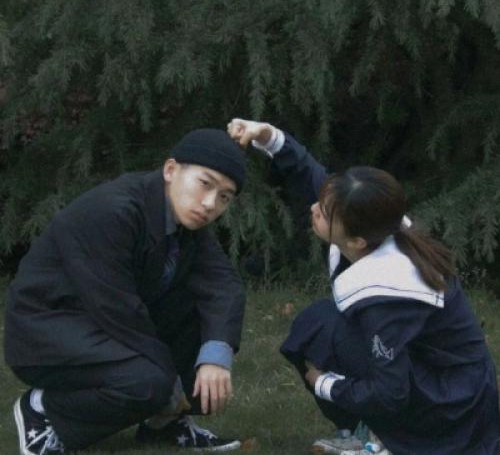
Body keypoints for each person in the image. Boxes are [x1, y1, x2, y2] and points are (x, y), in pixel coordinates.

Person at [228, 118, 500, 455]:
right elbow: (311, 175)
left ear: (356, 240)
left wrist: (325, 384)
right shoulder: (374, 225)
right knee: (320, 323)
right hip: (441, 378)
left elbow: (391, 392)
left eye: (323, 212)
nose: (313, 208)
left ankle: (382, 440)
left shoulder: (389, 293)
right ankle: (365, 430)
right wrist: (267, 136)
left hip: (452, 407)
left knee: (318, 328)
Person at [5, 128, 247, 454]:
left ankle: (164, 425)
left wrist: (216, 355)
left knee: (203, 317)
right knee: (149, 383)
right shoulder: (113, 210)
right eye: (205, 183)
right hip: (47, 330)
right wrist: (172, 384)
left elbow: (223, 284)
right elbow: (116, 308)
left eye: (224, 197)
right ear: (171, 170)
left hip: (102, 321)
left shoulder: (184, 216)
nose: (210, 204)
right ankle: (43, 411)